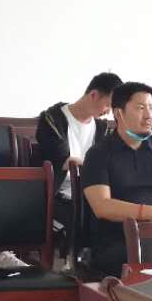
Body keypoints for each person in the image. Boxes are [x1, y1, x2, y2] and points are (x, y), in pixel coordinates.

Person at [81, 81, 152, 277]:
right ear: (119, 113)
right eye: (140, 108)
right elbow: (102, 206)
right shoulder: (99, 153)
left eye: (151, 108)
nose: (149, 115)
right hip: (117, 240)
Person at [36, 72, 120, 252]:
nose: (108, 112)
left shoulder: (102, 128)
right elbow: (63, 160)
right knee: (90, 215)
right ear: (93, 95)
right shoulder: (52, 119)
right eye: (108, 105)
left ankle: (104, 261)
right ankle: (78, 260)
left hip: (92, 192)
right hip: (56, 193)